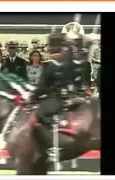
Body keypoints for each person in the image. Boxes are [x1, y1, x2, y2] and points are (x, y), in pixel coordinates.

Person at [30, 32, 91, 163]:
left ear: (51, 47)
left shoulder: (51, 65)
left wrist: (33, 97)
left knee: (38, 115)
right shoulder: (69, 59)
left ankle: (52, 146)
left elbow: (42, 88)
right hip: (74, 95)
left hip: (57, 98)